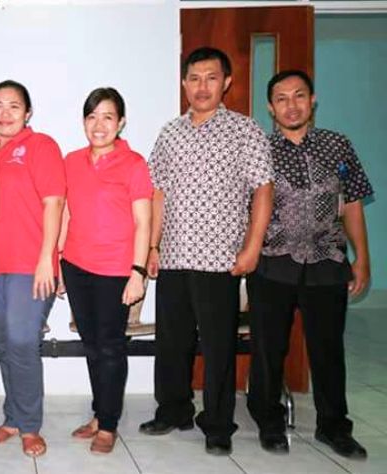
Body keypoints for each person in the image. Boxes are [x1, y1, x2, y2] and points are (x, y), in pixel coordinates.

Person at [140, 47, 274, 456]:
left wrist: (252, 247)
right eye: (194, 78)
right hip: (174, 257)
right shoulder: (170, 133)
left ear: (226, 82)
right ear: (184, 83)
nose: (202, 86)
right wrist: (152, 246)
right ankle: (174, 409)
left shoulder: (244, 130)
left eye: (211, 78)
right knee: (171, 342)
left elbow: (263, 190)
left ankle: (217, 424)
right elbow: (158, 193)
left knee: (218, 347)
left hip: (220, 261)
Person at [246, 70, 372, 459]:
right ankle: (269, 421)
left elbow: (352, 204)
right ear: (270, 107)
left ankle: (333, 426)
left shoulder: (338, 145)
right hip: (272, 262)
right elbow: (247, 208)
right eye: (281, 99)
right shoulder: (259, 149)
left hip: (327, 261)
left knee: (328, 350)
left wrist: (362, 259)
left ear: (312, 100)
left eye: (299, 96)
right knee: (268, 348)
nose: (291, 105)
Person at [60, 87, 152, 455]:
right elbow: (66, 212)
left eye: (108, 117)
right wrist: (58, 258)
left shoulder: (134, 164)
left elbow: (143, 222)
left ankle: (109, 425)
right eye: (92, 117)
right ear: (84, 121)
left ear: (121, 122)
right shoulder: (71, 161)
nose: (99, 125)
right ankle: (100, 414)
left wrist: (137, 272)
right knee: (92, 346)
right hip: (76, 266)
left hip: (116, 270)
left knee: (111, 347)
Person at [0, 80, 65, 458]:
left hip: (31, 265)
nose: (5, 113)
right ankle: (12, 419)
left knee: (22, 341)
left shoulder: (40, 145)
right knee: (3, 343)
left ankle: (29, 426)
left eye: (14, 106)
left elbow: (54, 203)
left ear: (27, 112)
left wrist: (48, 257)